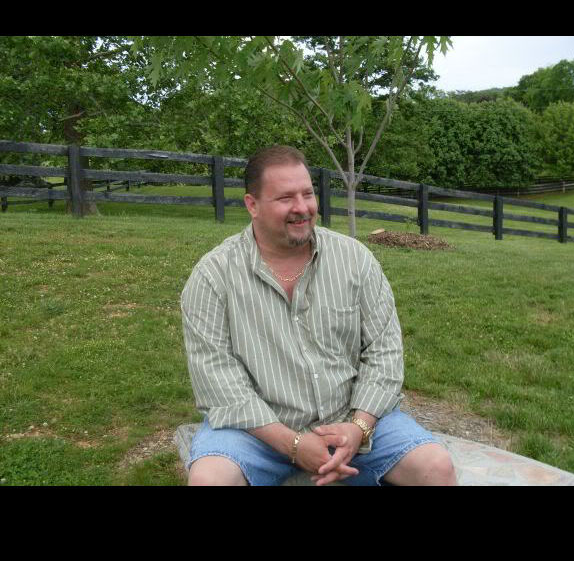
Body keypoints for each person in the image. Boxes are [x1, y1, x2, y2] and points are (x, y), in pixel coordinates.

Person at [181, 145, 457, 486]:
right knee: (209, 480)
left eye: (308, 194)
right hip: (257, 431)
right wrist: (293, 444)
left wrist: (358, 427)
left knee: (436, 467)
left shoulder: (355, 260)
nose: (302, 208)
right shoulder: (213, 276)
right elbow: (217, 378)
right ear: (252, 205)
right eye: (285, 198)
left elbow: (384, 351)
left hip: (349, 417)